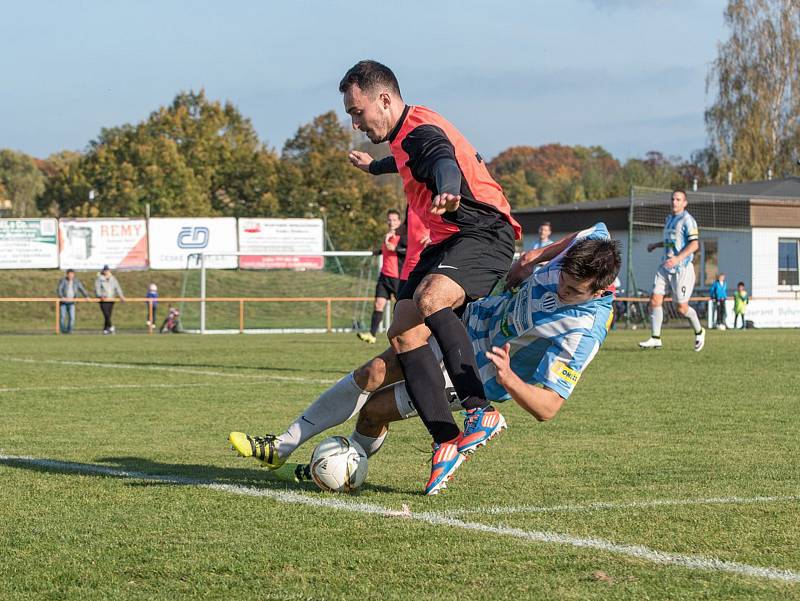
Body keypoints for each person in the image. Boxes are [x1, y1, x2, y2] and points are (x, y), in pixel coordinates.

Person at [230, 223, 620, 494]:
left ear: (601, 290)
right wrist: (535, 256)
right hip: (467, 320)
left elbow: (549, 407)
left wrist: (510, 380)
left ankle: (339, 468)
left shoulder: (584, 330)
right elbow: (591, 231)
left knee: (375, 412)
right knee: (375, 368)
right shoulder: (594, 245)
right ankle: (283, 445)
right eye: (563, 279)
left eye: (572, 290)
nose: (562, 289)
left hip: (476, 371)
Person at [341, 60, 522, 494]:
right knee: (402, 333)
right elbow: (403, 162)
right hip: (448, 239)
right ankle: (446, 440)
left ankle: (480, 410)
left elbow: (440, 158)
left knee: (432, 299)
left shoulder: (422, 130)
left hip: (485, 231)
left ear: (384, 99)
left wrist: (447, 188)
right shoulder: (402, 136)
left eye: (357, 112)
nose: (354, 122)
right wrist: (373, 168)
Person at [639, 189, 706, 351]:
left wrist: (678, 258)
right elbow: (671, 242)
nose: (674, 202)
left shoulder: (688, 220)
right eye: (673, 199)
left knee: (682, 308)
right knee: (655, 300)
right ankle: (656, 338)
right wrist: (656, 245)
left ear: (684, 203)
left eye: (678, 199)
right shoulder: (669, 219)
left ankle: (699, 331)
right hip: (665, 266)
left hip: (681, 269)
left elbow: (694, 244)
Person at [358, 209, 406, 344]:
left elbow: (409, 252)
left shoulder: (404, 236)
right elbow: (385, 249)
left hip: (398, 277)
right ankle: (372, 335)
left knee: (401, 308)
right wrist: (376, 252)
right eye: (389, 220)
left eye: (394, 220)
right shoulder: (387, 235)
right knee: (378, 304)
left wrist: (395, 249)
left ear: (399, 221)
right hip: (384, 276)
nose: (391, 222)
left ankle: (404, 333)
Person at [56, 269, 90, 334]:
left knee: (72, 317)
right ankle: (63, 331)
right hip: (63, 302)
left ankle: (69, 330)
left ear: (73, 275)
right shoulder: (63, 281)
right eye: (69, 274)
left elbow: (82, 289)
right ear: (67, 274)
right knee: (62, 317)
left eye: (72, 274)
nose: (71, 276)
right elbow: (59, 289)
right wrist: (61, 297)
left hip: (72, 302)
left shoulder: (76, 281)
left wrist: (86, 296)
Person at [94, 265, 125, 334]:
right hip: (103, 300)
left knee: (108, 315)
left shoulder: (113, 279)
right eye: (105, 270)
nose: (106, 272)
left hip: (111, 299)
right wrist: (100, 296)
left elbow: (117, 288)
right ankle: (111, 326)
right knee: (106, 314)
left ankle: (105, 329)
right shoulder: (99, 279)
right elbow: (97, 289)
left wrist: (121, 296)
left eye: (107, 270)